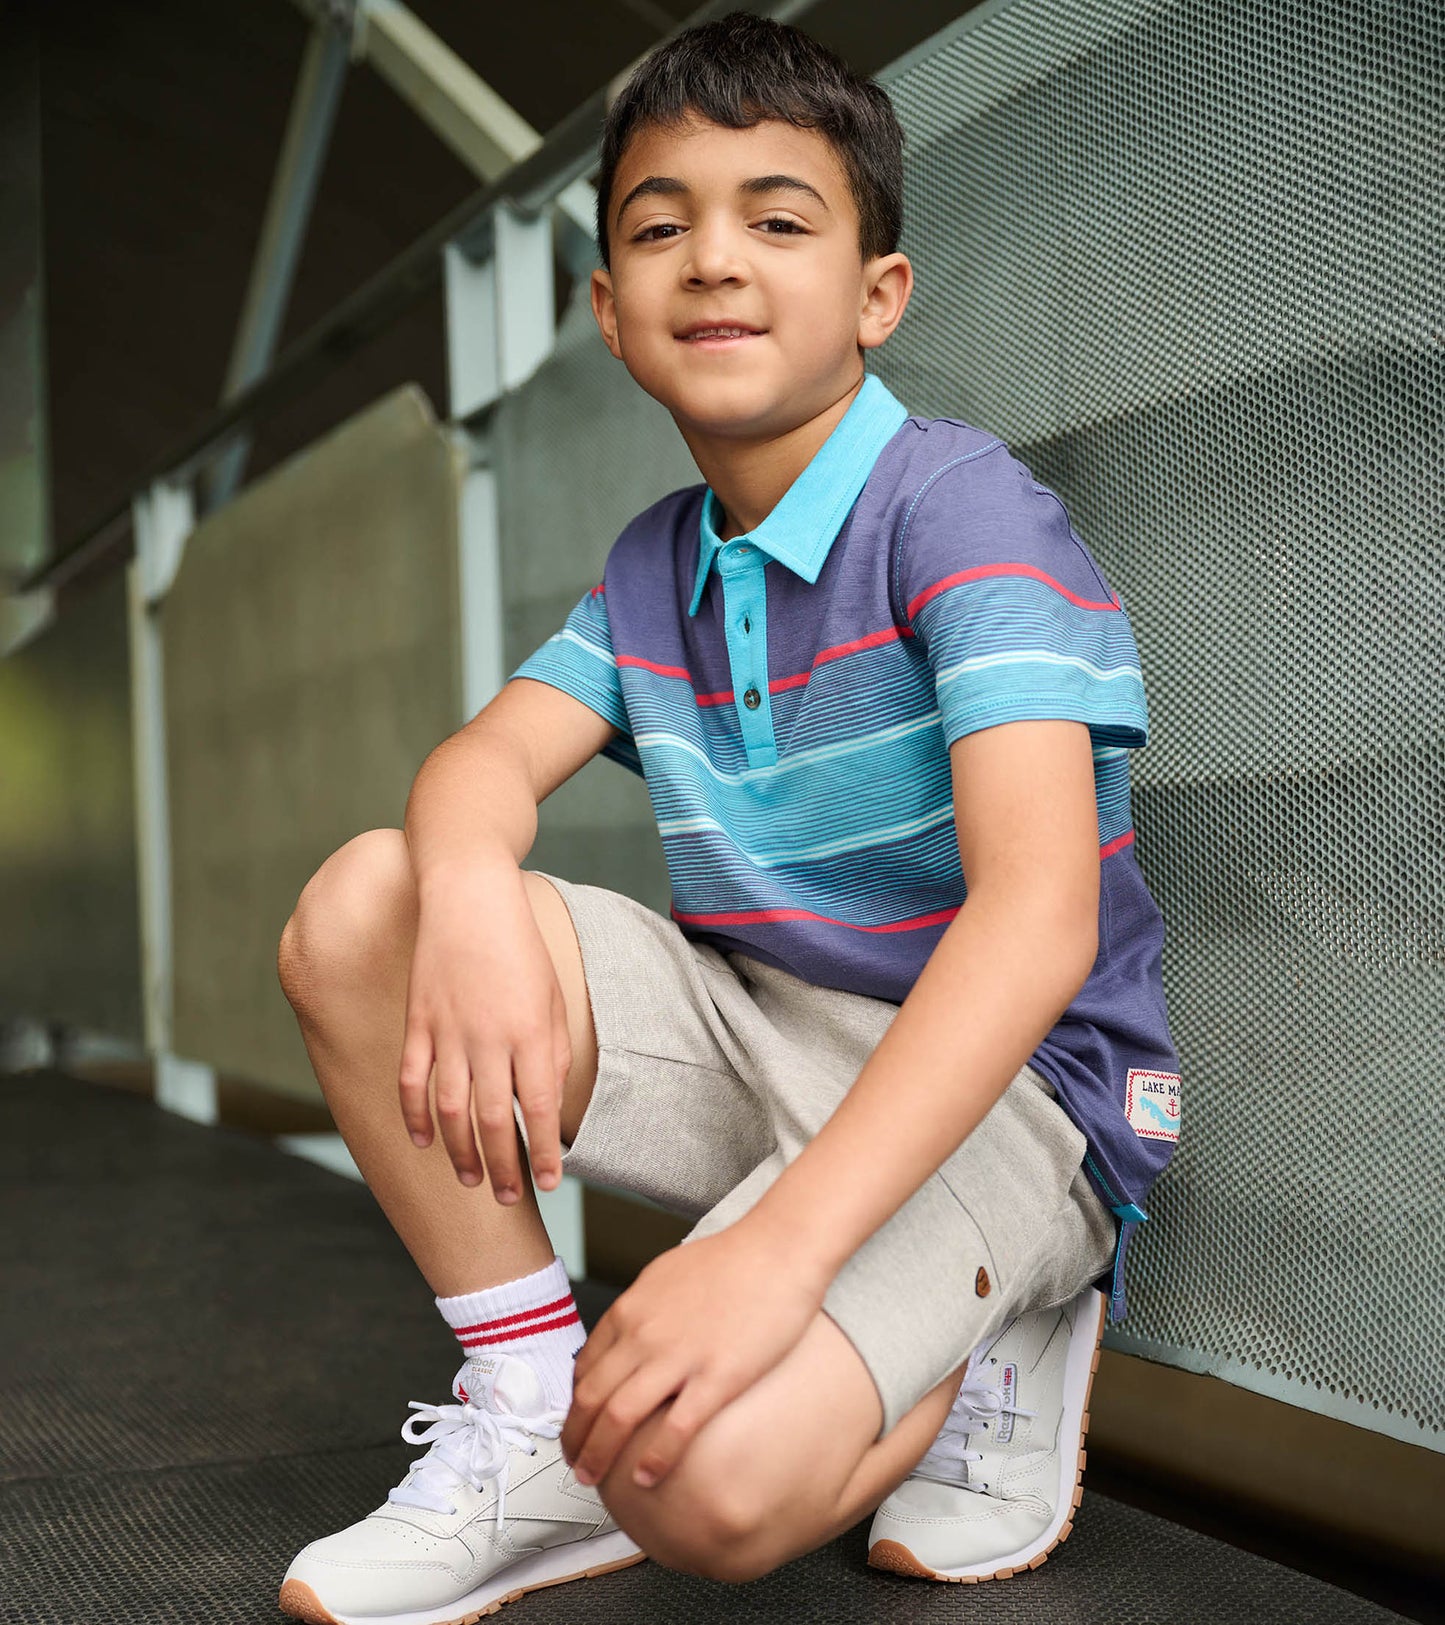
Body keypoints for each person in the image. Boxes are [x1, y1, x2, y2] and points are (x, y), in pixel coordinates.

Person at [274, 12, 1182, 1622]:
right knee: (373, 901)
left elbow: (1037, 916)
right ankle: (531, 1414)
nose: (713, 259)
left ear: (875, 294)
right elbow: (477, 764)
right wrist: (472, 882)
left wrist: (765, 1264)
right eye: (659, 226)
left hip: (1004, 1091)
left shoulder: (957, 509)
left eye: (776, 219)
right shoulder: (650, 564)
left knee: (697, 1484)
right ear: (612, 316)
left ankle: (1006, 1311)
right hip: (762, 1036)